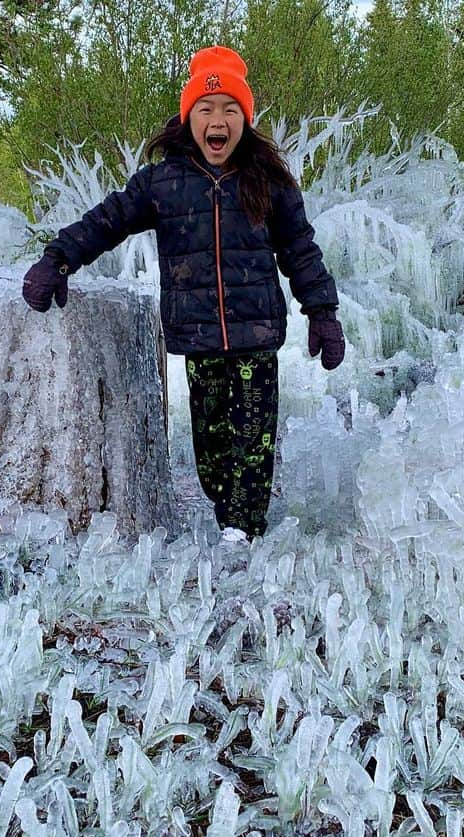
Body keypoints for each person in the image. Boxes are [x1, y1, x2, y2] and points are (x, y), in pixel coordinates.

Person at [22, 45, 345, 541]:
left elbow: (300, 250)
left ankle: (245, 540)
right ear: (190, 116)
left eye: (230, 109)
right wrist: (58, 258)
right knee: (213, 458)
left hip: (255, 341)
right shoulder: (163, 183)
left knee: (251, 456)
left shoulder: (269, 181)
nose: (219, 120)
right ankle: (230, 524)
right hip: (199, 344)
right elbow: (106, 222)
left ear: (245, 118)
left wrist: (322, 311)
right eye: (207, 108)